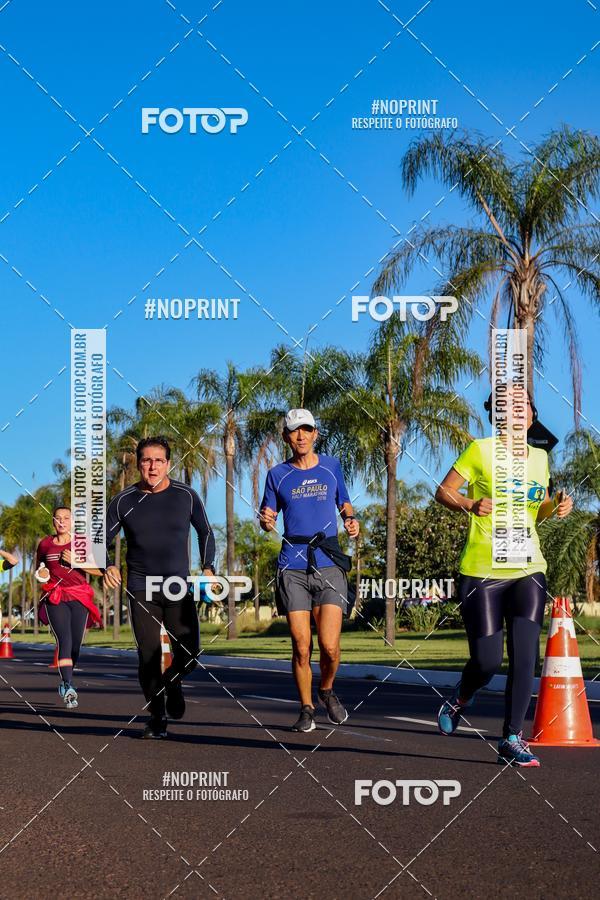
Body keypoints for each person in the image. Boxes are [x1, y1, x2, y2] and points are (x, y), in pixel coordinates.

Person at [434, 388, 573, 766]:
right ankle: (463, 694)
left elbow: (536, 511)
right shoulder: (480, 450)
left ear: (531, 415)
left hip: (529, 567)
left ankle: (512, 737)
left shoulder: (540, 458)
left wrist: (555, 507)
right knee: (487, 662)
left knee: (526, 656)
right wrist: (469, 503)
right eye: (509, 407)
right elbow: (443, 491)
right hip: (483, 571)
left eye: (525, 405)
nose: (519, 412)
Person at [104, 436, 216, 740]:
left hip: (177, 584)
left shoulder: (186, 496)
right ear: (138, 463)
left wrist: (207, 567)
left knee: (190, 652)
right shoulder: (124, 500)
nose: (152, 466)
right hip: (141, 585)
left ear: (168, 464)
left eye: (158, 460)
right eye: (146, 460)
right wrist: (108, 565)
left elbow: (205, 531)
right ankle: (156, 716)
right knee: (149, 654)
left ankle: (173, 681)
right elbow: (101, 538)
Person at [259, 409, 360, 732]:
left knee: (330, 646)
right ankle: (306, 707)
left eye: (306, 430)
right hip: (292, 565)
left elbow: (343, 500)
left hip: (328, 561)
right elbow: (268, 514)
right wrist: (266, 521)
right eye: (294, 431)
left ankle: (326, 689)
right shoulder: (277, 474)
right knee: (301, 645)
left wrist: (350, 519)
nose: (301, 436)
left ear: (315, 433)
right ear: (286, 437)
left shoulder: (331, 466)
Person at [35, 507, 102, 709]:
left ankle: (67, 676)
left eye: (66, 518)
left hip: (79, 595)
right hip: (55, 596)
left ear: (72, 521)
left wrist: (77, 560)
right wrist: (43, 574)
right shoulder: (45, 544)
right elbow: (39, 570)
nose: (62, 522)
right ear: (53, 521)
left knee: (75, 644)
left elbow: (99, 570)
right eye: (58, 519)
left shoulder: (81, 542)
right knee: (64, 639)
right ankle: (68, 684)